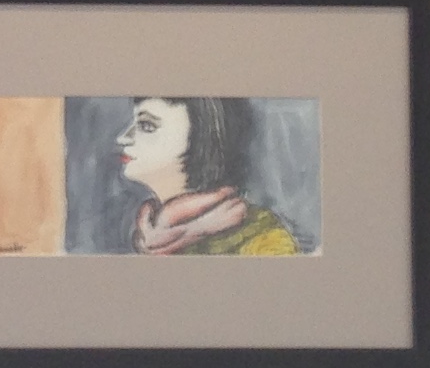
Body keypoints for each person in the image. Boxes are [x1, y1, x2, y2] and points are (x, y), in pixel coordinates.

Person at [111, 96, 302, 255]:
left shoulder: (264, 240)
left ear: (201, 135)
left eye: (146, 126)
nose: (123, 138)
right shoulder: (148, 232)